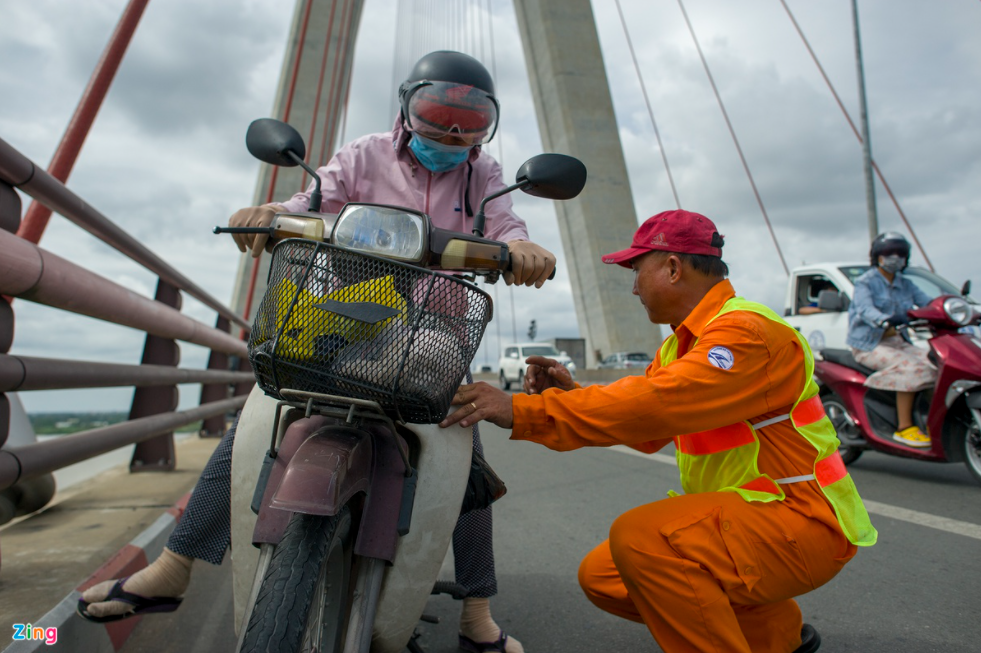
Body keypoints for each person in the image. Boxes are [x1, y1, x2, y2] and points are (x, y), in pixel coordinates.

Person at [79, 50, 555, 653]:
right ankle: (174, 566)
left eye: (471, 118)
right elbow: (313, 199)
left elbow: (507, 225)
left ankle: (476, 611)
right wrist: (269, 213)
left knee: (464, 451)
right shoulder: (364, 155)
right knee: (261, 412)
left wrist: (523, 248)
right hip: (351, 310)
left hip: (434, 327)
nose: (453, 132)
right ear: (409, 108)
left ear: (488, 123)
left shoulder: (484, 173)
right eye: (438, 112)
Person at [439, 209, 878, 653]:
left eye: (636, 270)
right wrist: (571, 392)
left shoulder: (747, 333)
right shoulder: (680, 345)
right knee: (605, 576)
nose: (632, 287)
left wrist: (520, 409)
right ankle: (774, 636)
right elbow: (650, 430)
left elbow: (658, 403)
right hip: (750, 518)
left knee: (645, 542)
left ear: (671, 267)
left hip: (800, 518)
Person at [846, 232, 937, 448]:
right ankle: (904, 427)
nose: (895, 257)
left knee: (937, 362)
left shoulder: (905, 284)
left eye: (900, 253)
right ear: (878, 256)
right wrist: (886, 320)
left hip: (898, 343)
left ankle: (931, 421)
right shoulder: (865, 282)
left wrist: (953, 308)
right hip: (869, 345)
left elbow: (929, 303)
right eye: (889, 253)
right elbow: (865, 309)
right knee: (912, 368)